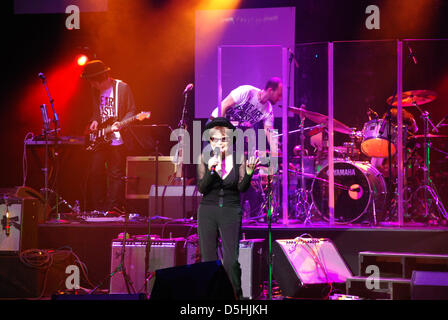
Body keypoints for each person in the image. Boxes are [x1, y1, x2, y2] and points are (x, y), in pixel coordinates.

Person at [197, 117, 259, 299]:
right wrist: (210, 171)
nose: (219, 143)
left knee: (231, 261)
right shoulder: (204, 157)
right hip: (207, 211)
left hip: (231, 210)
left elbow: (242, 188)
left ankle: (236, 299)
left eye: (224, 139)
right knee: (208, 261)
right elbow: (202, 188)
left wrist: (248, 174)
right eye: (215, 139)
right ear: (210, 141)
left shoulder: (239, 157)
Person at [81, 60, 136, 212]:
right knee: (95, 171)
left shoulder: (122, 88)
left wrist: (121, 124)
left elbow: (131, 110)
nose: (92, 86)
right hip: (101, 138)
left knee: (115, 173)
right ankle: (99, 208)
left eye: (93, 82)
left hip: (117, 137)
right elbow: (96, 111)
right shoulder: (95, 91)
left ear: (100, 79)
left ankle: (112, 207)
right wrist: (94, 121)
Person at [211, 77, 283, 148]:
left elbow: (269, 131)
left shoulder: (269, 109)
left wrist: (276, 148)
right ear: (270, 90)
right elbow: (223, 106)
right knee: (213, 158)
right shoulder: (247, 91)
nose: (280, 99)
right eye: (279, 95)